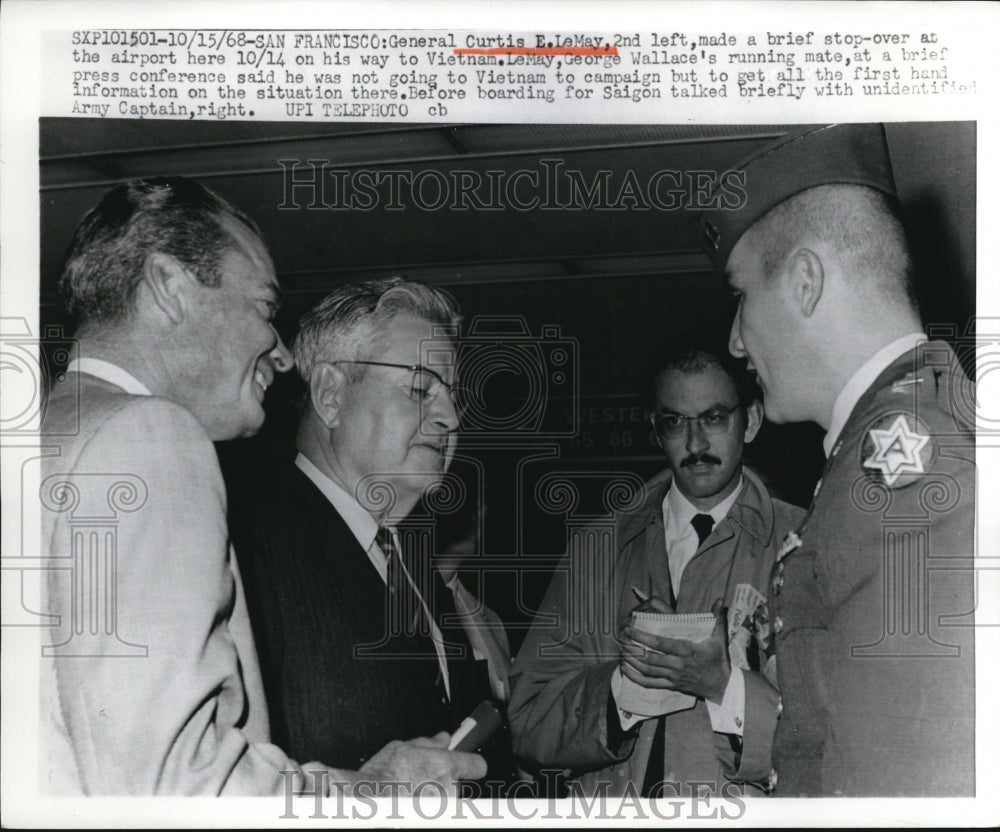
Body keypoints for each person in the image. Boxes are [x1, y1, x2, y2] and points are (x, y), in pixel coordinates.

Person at [39, 178, 485, 795]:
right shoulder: (148, 436)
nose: (281, 352)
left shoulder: (51, 433)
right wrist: (373, 792)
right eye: (264, 309)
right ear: (170, 288)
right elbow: (175, 785)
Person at [694, 123, 975, 795]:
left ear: (805, 282)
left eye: (741, 296)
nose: (735, 342)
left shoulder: (903, 472)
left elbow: (908, 780)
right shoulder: (895, 443)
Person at [507, 333, 804, 796]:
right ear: (654, 429)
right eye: (674, 422)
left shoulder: (801, 544)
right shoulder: (597, 550)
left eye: (714, 417)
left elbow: (837, 733)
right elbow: (528, 722)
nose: (695, 441)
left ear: (750, 422)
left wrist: (724, 686)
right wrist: (626, 688)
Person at [237, 278, 511, 777]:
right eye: (421, 387)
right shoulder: (246, 549)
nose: (450, 417)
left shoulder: (413, 565)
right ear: (330, 395)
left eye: (451, 395)